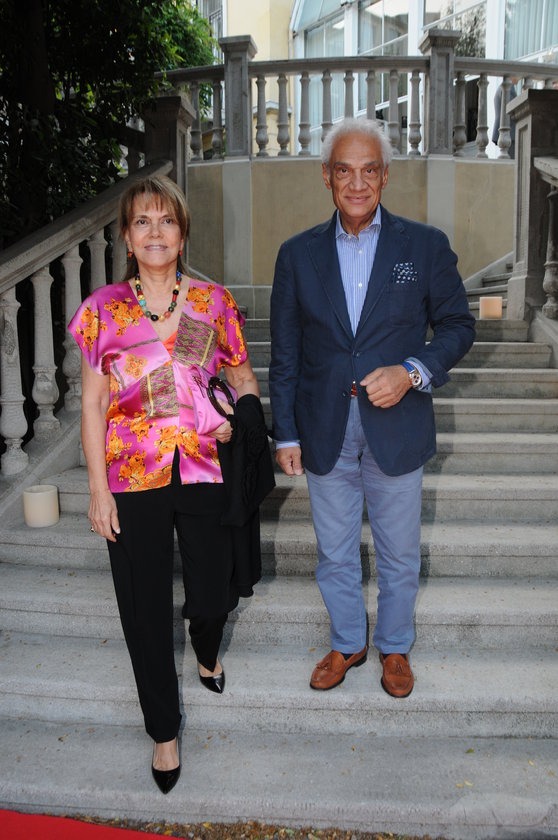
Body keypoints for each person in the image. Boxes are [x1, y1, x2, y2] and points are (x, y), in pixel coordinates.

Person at [69, 174, 266, 794]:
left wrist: (243, 418)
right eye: (143, 222)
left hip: (205, 466)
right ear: (128, 238)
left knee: (211, 597)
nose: (156, 232)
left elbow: (243, 378)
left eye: (167, 221)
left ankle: (206, 648)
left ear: (182, 233)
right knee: (143, 607)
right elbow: (93, 404)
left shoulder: (213, 302)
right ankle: (163, 731)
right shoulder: (103, 310)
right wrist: (97, 490)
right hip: (131, 475)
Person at [269, 118, 475, 698]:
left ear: (385, 176)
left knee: (399, 552)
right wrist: (286, 433)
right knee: (334, 551)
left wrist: (411, 372)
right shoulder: (297, 255)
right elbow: (285, 352)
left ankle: (395, 646)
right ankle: (347, 641)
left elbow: (458, 326)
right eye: (344, 171)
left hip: (397, 426)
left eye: (368, 170)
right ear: (327, 177)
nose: (356, 183)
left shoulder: (424, 246)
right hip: (324, 426)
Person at [492, 78, 518, 158]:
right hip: (510, 133)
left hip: (506, 133)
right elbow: (512, 110)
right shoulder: (509, 88)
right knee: (512, 161)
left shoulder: (501, 87)